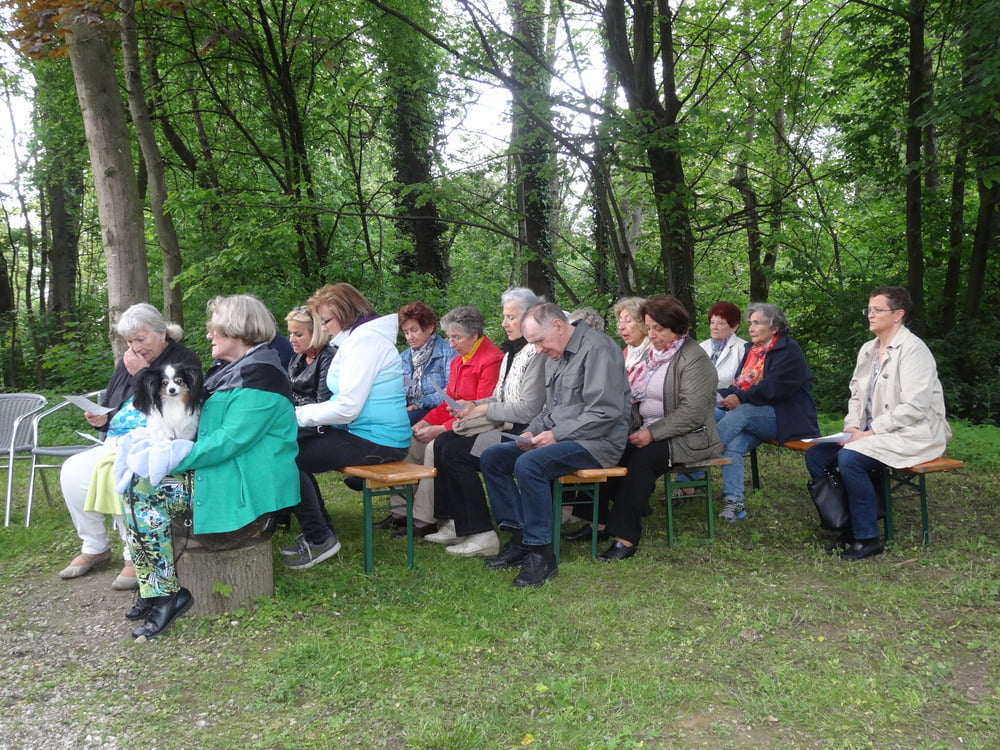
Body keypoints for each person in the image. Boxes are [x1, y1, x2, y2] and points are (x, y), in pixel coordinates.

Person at [118, 294, 300, 638]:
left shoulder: (262, 379)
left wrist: (170, 458)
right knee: (134, 484)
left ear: (238, 330)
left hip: (244, 488)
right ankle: (156, 588)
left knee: (143, 490)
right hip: (224, 475)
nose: (208, 335)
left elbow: (227, 442)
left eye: (215, 329)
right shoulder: (231, 370)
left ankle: (164, 593)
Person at [479, 302, 630, 588]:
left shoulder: (599, 349)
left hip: (599, 443)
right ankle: (520, 538)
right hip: (566, 437)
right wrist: (532, 432)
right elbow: (551, 411)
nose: (538, 349)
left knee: (530, 464)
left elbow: (605, 413)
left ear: (558, 326)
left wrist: (556, 435)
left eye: (539, 341)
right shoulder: (554, 354)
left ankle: (541, 554)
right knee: (492, 458)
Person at [57, 303, 202, 590]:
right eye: (129, 341)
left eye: (140, 339)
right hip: (116, 439)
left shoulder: (184, 360)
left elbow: (176, 407)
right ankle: (94, 546)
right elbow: (114, 402)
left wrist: (142, 373)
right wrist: (101, 418)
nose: (135, 347)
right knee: (72, 471)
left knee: (121, 475)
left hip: (154, 441)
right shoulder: (128, 361)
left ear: (160, 333)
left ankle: (133, 554)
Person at [805, 286, 951, 560]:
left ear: (898, 314)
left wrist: (870, 432)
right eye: (869, 309)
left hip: (912, 433)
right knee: (817, 455)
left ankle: (867, 538)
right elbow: (856, 396)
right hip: (871, 434)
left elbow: (915, 407)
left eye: (877, 310)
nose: (870, 315)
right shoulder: (868, 350)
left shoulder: (913, 350)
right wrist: (852, 427)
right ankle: (847, 525)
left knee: (850, 459)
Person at [586, 296, 723, 561]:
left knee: (642, 461)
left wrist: (652, 433)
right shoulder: (653, 356)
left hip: (688, 436)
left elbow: (693, 413)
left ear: (677, 327)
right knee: (611, 450)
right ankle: (599, 522)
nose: (651, 335)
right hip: (649, 429)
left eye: (658, 329)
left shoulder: (694, 359)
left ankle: (625, 538)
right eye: (649, 328)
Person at [289, 283, 411, 567]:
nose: (323, 328)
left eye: (326, 321)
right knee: (289, 451)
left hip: (380, 440)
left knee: (286, 458)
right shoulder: (358, 340)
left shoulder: (365, 342)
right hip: (363, 433)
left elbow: (347, 408)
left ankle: (320, 537)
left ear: (345, 313)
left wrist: (297, 415)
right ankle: (321, 532)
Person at [427, 287, 545, 556]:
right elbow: (500, 396)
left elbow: (528, 410)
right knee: (444, 442)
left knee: (456, 452)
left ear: (531, 318)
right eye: (505, 317)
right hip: (505, 425)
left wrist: (482, 410)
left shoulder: (535, 354)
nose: (504, 323)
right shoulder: (513, 352)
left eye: (511, 317)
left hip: (525, 431)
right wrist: (473, 405)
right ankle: (458, 523)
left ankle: (482, 533)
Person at [378, 306, 504, 537]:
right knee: (407, 441)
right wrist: (425, 422)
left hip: (482, 428)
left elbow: (480, 410)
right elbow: (449, 402)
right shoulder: (459, 360)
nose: (452, 344)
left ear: (474, 335)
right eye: (449, 337)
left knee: (434, 447)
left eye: (456, 337)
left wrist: (440, 429)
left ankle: (424, 518)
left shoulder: (491, 360)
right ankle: (400, 511)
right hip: (457, 423)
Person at [715, 303, 819, 522]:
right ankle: (734, 502)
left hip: (786, 417)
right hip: (756, 416)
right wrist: (717, 396)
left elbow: (774, 388)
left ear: (775, 327)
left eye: (757, 323)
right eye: (750, 323)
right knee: (729, 439)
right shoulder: (752, 351)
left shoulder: (788, 351)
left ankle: (701, 455)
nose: (751, 328)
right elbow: (739, 386)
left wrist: (741, 398)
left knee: (743, 413)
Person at [398, 302, 456, 425]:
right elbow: (402, 386)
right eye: (406, 332)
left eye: (414, 330)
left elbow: (450, 390)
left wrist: (421, 403)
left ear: (430, 328)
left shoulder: (448, 352)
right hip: (407, 407)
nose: (410, 337)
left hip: (435, 407)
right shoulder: (403, 357)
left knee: (401, 422)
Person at [285, 305, 334, 406]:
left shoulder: (328, 358)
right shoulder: (298, 356)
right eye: (290, 333)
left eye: (298, 335)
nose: (291, 340)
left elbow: (323, 403)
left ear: (315, 333)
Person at [701, 301, 748, 389]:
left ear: (734, 327)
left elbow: (745, 383)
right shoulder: (701, 347)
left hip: (729, 396)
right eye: (712, 322)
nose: (714, 327)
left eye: (720, 323)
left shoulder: (744, 349)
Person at [615, 297, 651, 393]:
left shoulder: (657, 353)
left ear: (644, 322)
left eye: (628, 321)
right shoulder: (624, 354)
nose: (621, 327)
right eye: (620, 321)